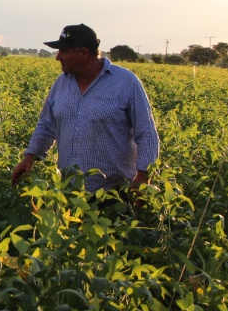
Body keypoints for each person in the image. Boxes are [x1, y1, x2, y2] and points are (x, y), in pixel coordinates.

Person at [11, 23, 159, 195]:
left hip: (115, 194)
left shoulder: (126, 82)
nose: (58, 57)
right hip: (69, 193)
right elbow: (46, 125)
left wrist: (143, 175)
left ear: (83, 53)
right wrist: (30, 156)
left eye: (64, 51)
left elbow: (146, 133)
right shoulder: (61, 83)